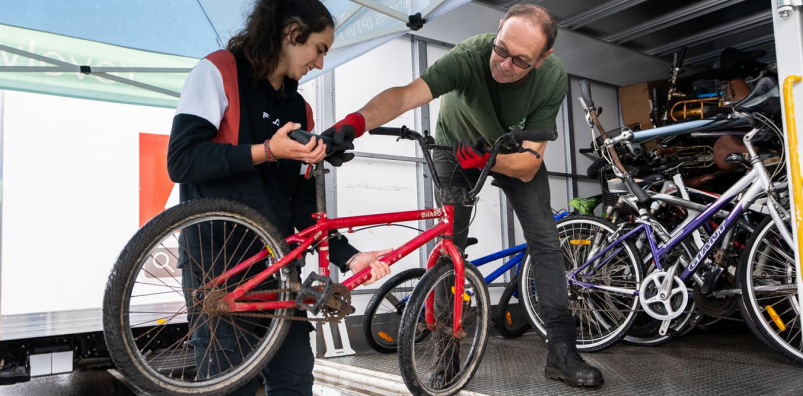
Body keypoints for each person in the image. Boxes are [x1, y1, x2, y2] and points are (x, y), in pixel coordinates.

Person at [320, 3, 604, 388]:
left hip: (513, 155)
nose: (503, 64)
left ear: (542, 59)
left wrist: (492, 158)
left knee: (546, 242)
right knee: (449, 247)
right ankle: (446, 355)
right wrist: (353, 123)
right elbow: (405, 96)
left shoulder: (552, 78)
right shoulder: (470, 56)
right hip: (454, 150)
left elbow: (530, 164)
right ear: (498, 28)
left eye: (519, 61)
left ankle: (562, 351)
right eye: (501, 49)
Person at [166, 1, 391, 395]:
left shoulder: (299, 109)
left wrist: (350, 256)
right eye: (319, 49)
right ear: (292, 33)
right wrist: (267, 150)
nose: (320, 63)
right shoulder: (219, 71)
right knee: (229, 384)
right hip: (217, 268)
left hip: (280, 269)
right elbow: (182, 160)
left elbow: (303, 207)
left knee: (294, 382)